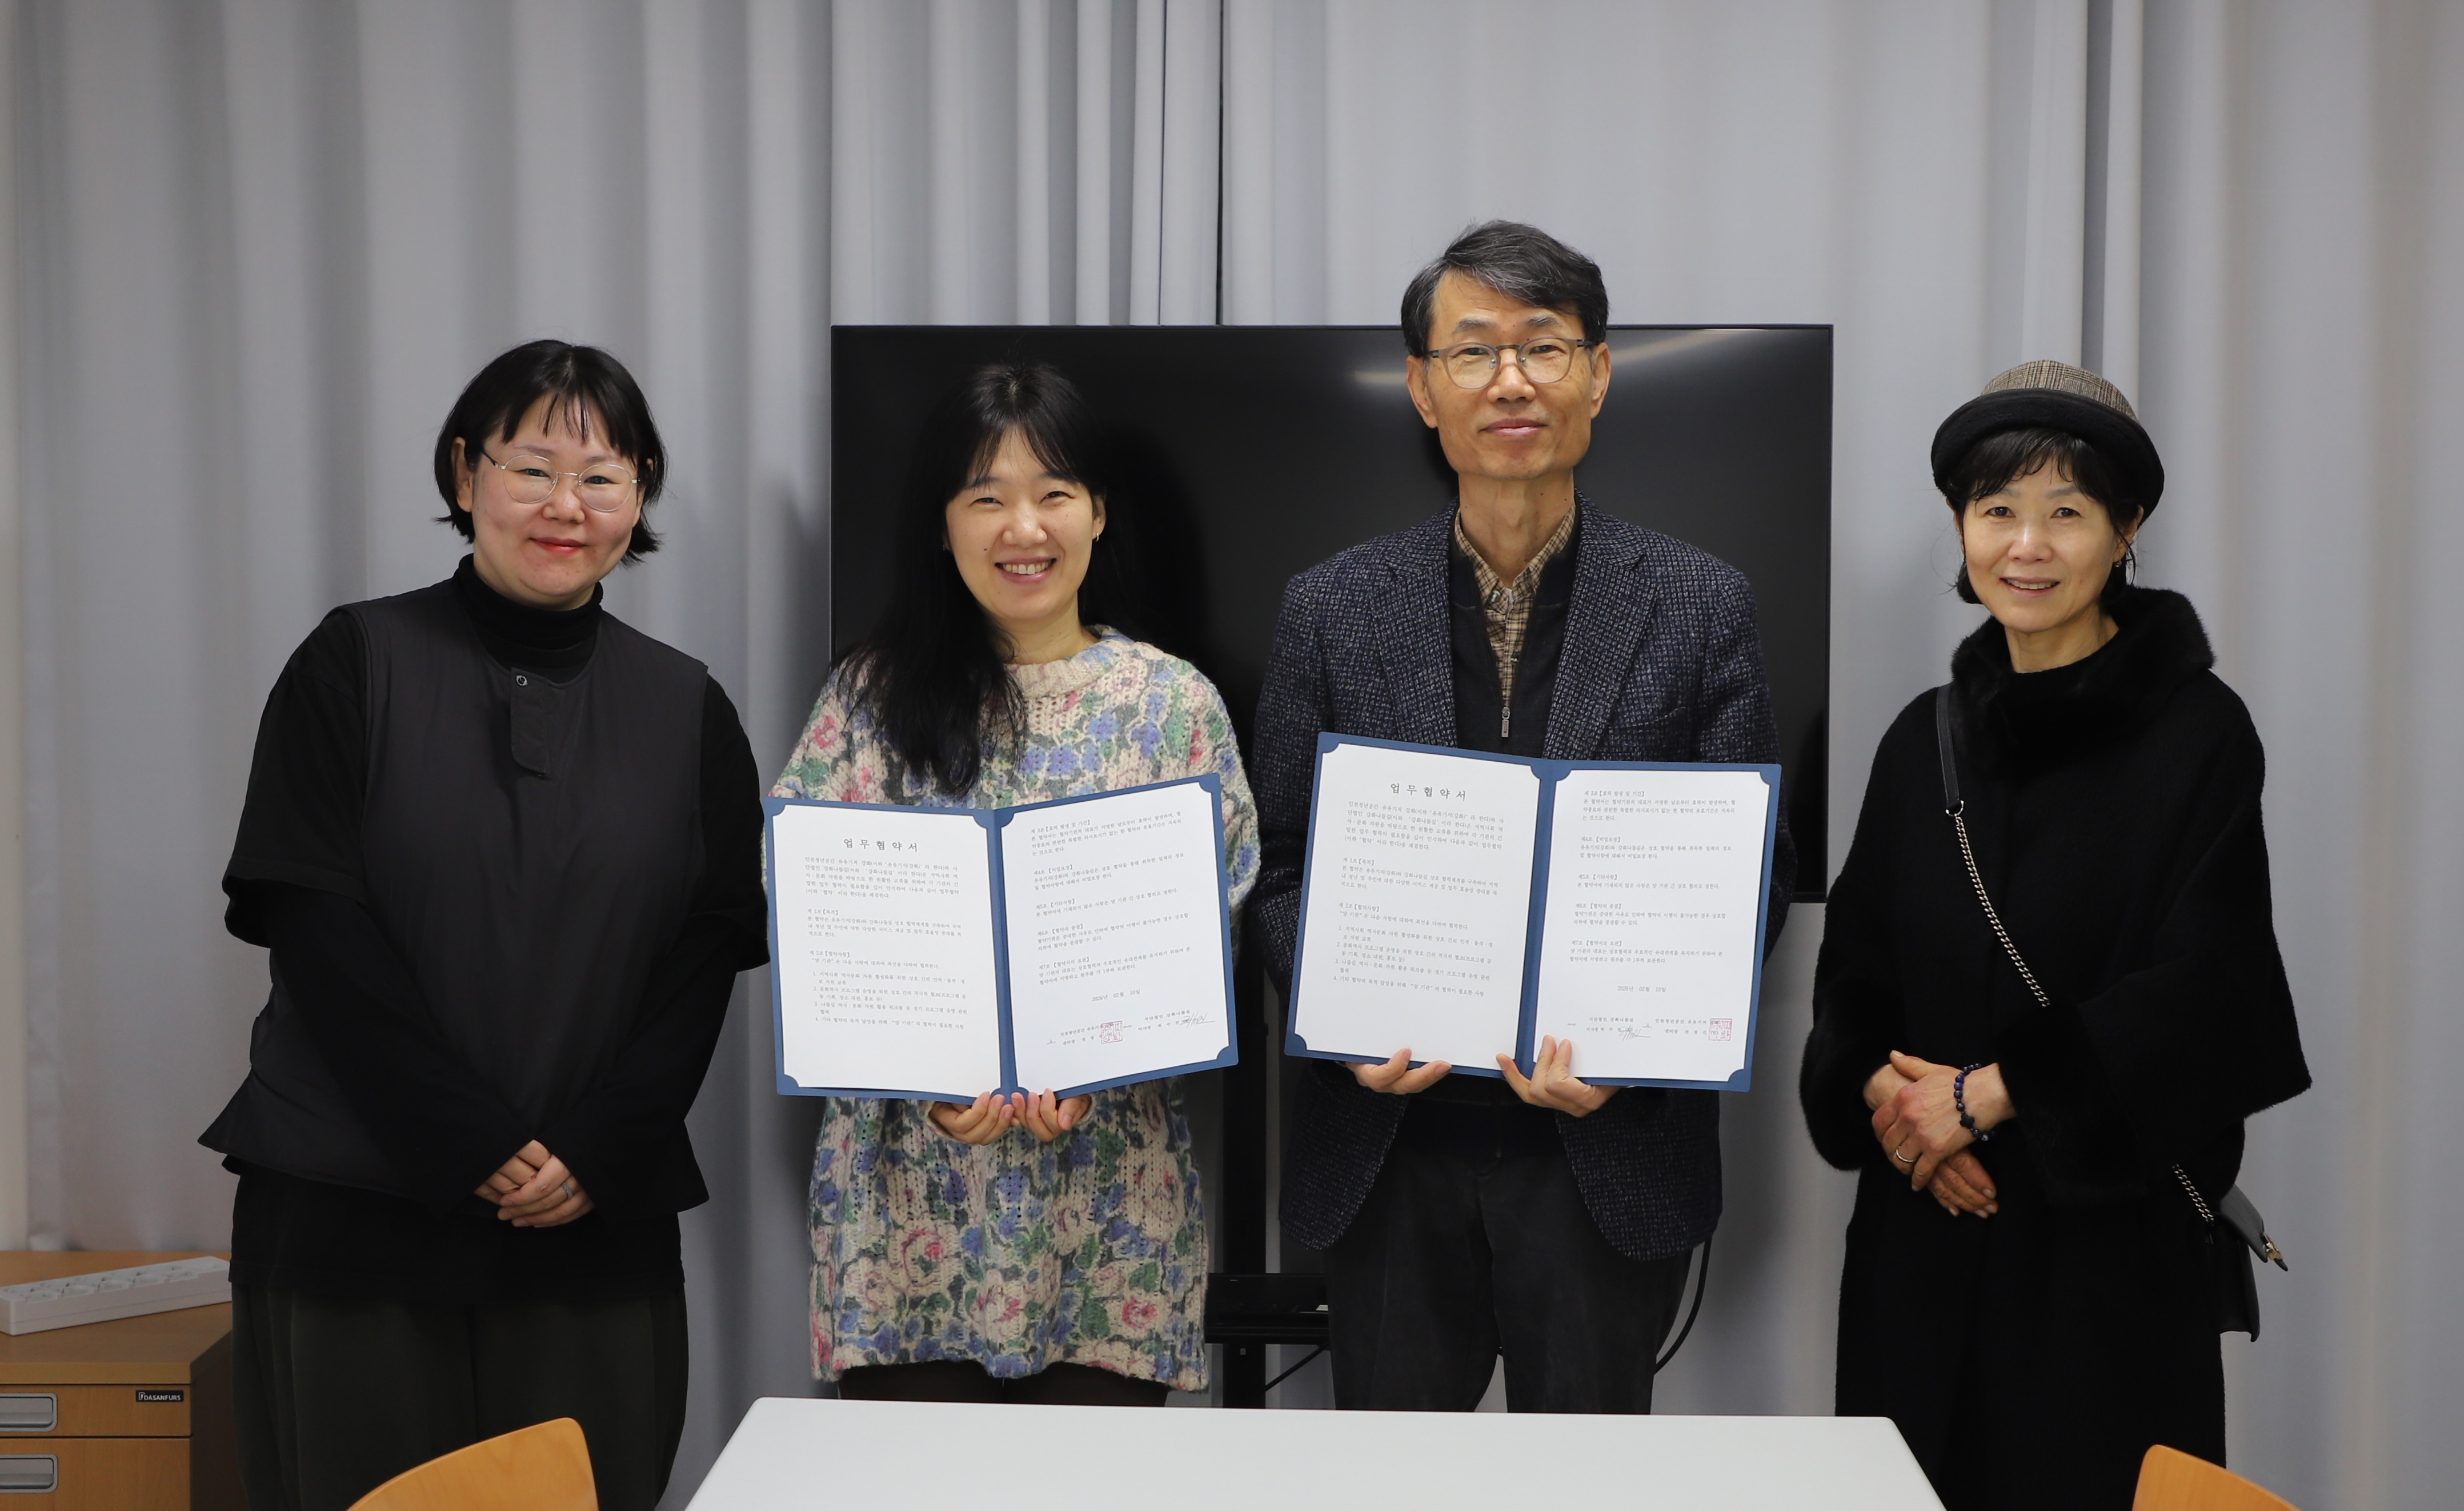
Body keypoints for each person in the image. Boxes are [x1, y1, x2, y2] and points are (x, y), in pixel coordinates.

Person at [200, 341, 768, 1511]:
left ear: (640, 497)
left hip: (590, 1218)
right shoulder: (352, 662)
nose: (567, 505)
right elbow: (315, 920)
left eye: (602, 476)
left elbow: (706, 953)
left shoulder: (691, 708)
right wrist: (465, 1141)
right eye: (532, 468)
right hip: (355, 1218)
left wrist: (597, 1147)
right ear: (466, 475)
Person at [1248, 220, 1794, 1413]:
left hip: (1601, 1146)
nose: (1510, 381)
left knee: (1586, 1483)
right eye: (1474, 350)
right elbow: (1277, 862)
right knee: (1396, 1486)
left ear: (1597, 375)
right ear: (1421, 387)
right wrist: (1342, 1019)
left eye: (1543, 347)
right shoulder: (1331, 606)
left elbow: (1748, 878)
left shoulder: (1700, 603)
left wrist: (1632, 1054)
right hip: (1389, 1144)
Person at [1798, 361, 2311, 1509]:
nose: (2026, 546)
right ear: (1961, 527)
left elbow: (2214, 989)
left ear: (2126, 529)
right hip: (1921, 1245)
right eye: (1997, 510)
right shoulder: (1921, 738)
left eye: (2066, 513)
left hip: (2102, 1269)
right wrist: (1895, 1104)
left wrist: (1987, 1096)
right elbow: (1853, 975)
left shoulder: (2199, 734)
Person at [774, 362, 1259, 1405]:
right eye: (985, 498)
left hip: (1108, 1206)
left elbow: (1214, 917)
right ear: (941, 525)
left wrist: (1095, 1060)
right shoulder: (866, 698)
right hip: (903, 1210)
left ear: (1097, 514)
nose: (1022, 528)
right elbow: (808, 911)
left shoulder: (1170, 706)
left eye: (1053, 493)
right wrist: (933, 1077)